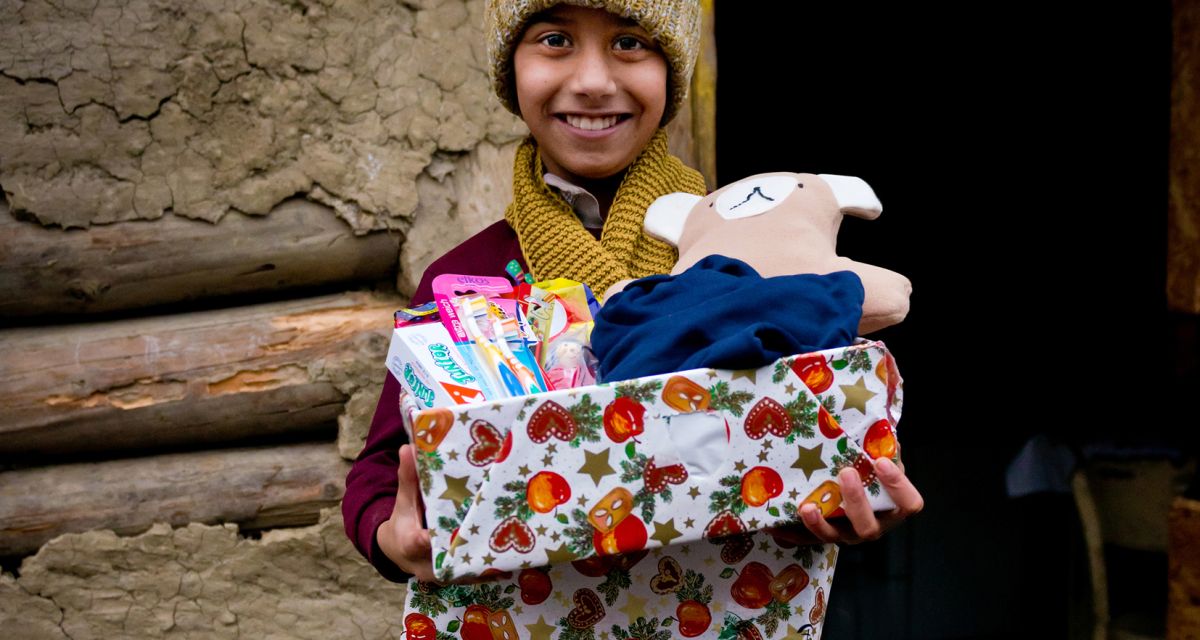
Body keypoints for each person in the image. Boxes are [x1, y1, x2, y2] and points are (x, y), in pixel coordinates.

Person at [342, 0, 924, 584]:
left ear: (672, 71)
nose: (593, 82)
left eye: (630, 42)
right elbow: (382, 470)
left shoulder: (747, 242)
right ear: (509, 67)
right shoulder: (466, 280)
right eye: (554, 40)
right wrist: (389, 534)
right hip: (531, 612)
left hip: (727, 600)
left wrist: (837, 499)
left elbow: (815, 426)